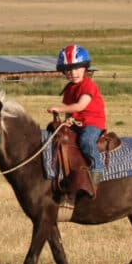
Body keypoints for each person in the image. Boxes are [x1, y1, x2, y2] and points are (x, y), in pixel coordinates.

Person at [47, 44, 106, 184]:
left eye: (76, 68)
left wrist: (59, 109)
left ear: (85, 67)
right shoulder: (69, 88)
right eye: (68, 70)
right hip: (77, 123)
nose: (73, 73)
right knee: (58, 136)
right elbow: (70, 108)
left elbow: (80, 106)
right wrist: (67, 120)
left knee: (86, 141)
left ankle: (97, 168)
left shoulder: (88, 85)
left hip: (92, 122)